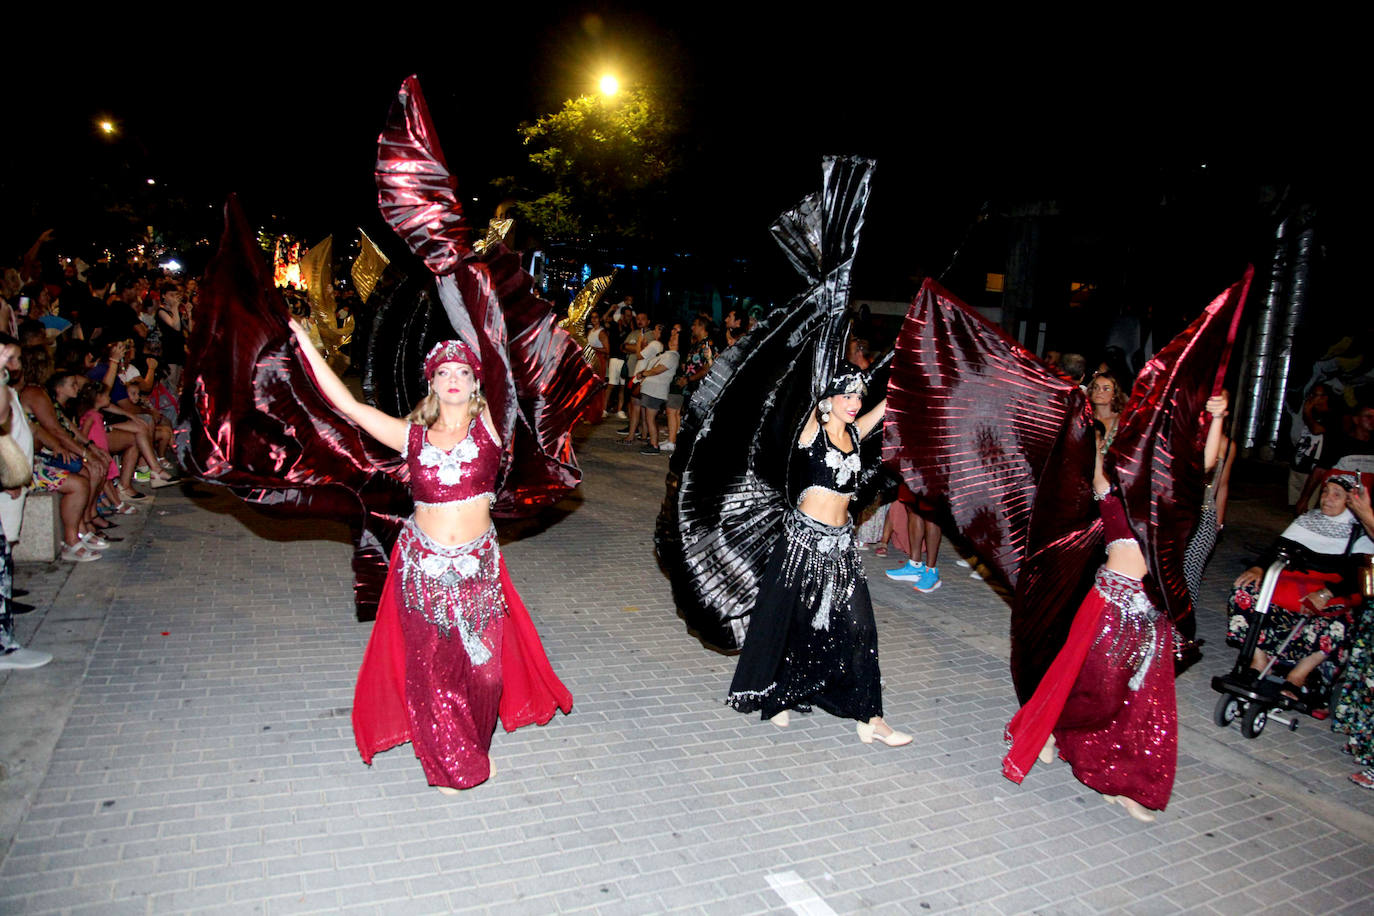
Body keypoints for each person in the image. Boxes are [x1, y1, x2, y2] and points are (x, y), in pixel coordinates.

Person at [290, 324, 571, 792]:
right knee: (433, 671)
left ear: (477, 382)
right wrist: (303, 341)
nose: (454, 379)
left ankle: (472, 744)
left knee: (485, 673)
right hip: (423, 569)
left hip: (478, 568)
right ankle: (450, 762)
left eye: (463, 371)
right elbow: (350, 407)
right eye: (444, 372)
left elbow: (513, 367)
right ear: (432, 382)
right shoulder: (410, 437)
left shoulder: (491, 428)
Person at [1002, 412, 1198, 822]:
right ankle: (1050, 729)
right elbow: (1088, 459)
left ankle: (1126, 781)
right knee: (1096, 686)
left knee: (1145, 699)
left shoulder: (1167, 496)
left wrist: (1214, 418)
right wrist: (1082, 419)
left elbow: (1205, 463)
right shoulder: (1111, 489)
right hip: (1109, 604)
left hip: (1151, 611)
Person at [726, 368, 910, 746]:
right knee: (790, 622)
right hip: (802, 543)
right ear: (829, 400)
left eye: (859, 398)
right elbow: (815, 389)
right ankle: (778, 696)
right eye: (848, 397)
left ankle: (870, 717)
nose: (855, 405)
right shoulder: (814, 432)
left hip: (841, 545)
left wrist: (909, 375)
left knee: (861, 627)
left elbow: (886, 407)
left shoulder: (855, 434)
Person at [1226, 474, 1373, 703]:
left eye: (1337, 495)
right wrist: (1258, 568)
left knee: (1343, 623)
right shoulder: (1307, 521)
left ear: (1351, 502)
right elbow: (1277, 550)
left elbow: (1356, 578)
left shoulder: (1359, 533)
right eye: (1325, 492)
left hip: (1330, 593)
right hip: (1292, 586)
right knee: (1243, 592)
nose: (1327, 498)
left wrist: (1326, 593)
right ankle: (1259, 660)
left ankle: (1298, 676)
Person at [635, 325, 679, 456]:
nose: (672, 340)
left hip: (656, 391)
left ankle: (654, 444)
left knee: (651, 418)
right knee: (649, 418)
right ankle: (652, 442)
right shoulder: (666, 354)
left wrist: (644, 373)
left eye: (675, 338)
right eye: (671, 337)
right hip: (651, 389)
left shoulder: (672, 356)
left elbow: (658, 369)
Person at [1088, 371, 1126, 450]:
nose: (1099, 391)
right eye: (1096, 387)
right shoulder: (1084, 418)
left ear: (1114, 394)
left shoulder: (1123, 421)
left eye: (1106, 389)